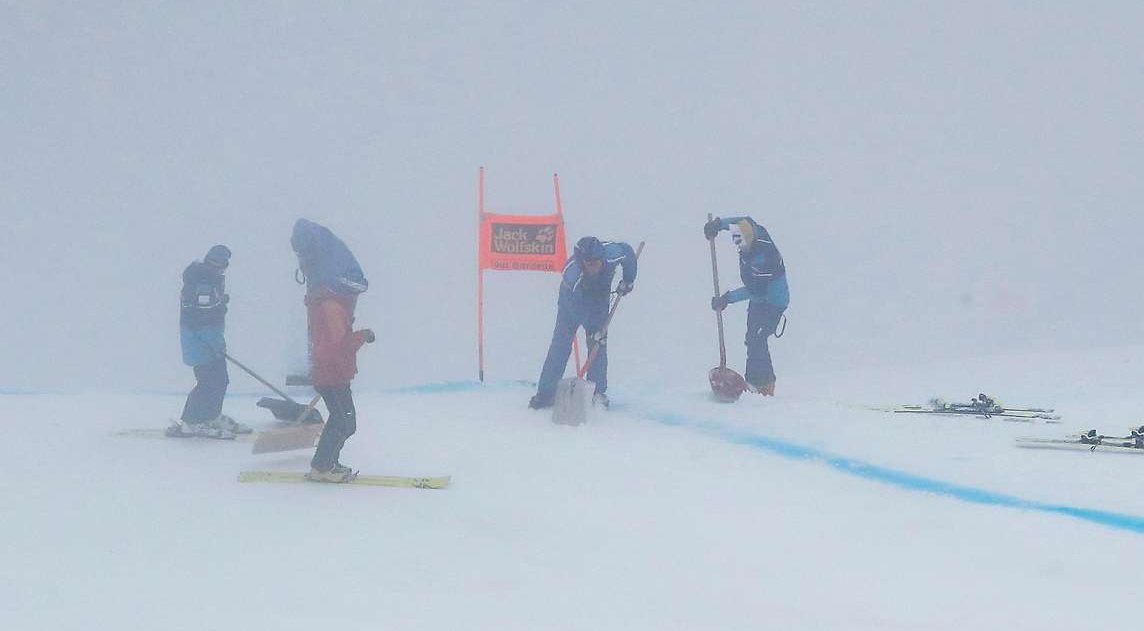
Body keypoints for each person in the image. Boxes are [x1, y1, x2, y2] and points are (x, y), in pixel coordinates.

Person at [291, 219, 374, 482]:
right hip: (331, 374)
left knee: (345, 422)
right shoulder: (331, 307)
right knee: (343, 422)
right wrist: (363, 336)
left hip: (334, 373)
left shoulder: (333, 304)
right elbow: (336, 347)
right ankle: (322, 467)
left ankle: (327, 463)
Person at [529, 236, 638, 410]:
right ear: (581, 261)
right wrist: (594, 328)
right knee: (561, 346)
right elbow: (579, 309)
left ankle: (597, 393)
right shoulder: (572, 275)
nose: (595, 265)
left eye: (598, 261)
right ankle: (546, 394)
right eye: (590, 262)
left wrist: (628, 280)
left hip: (600, 301)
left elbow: (628, 253)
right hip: (570, 305)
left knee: (598, 347)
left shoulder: (611, 254)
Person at [704, 216, 790, 396]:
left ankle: (766, 385)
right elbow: (743, 220)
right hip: (759, 299)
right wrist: (719, 225)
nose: (740, 248)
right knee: (751, 339)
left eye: (743, 245)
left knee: (758, 339)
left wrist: (727, 299)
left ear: (751, 240)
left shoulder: (765, 258)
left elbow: (755, 290)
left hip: (773, 301)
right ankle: (752, 382)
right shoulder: (755, 230)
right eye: (738, 244)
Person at [173, 245, 250, 437]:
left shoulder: (209, 279)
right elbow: (202, 320)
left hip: (210, 341)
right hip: (201, 343)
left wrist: (221, 301)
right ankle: (191, 421)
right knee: (208, 383)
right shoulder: (203, 283)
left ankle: (211, 415)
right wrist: (216, 344)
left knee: (221, 380)